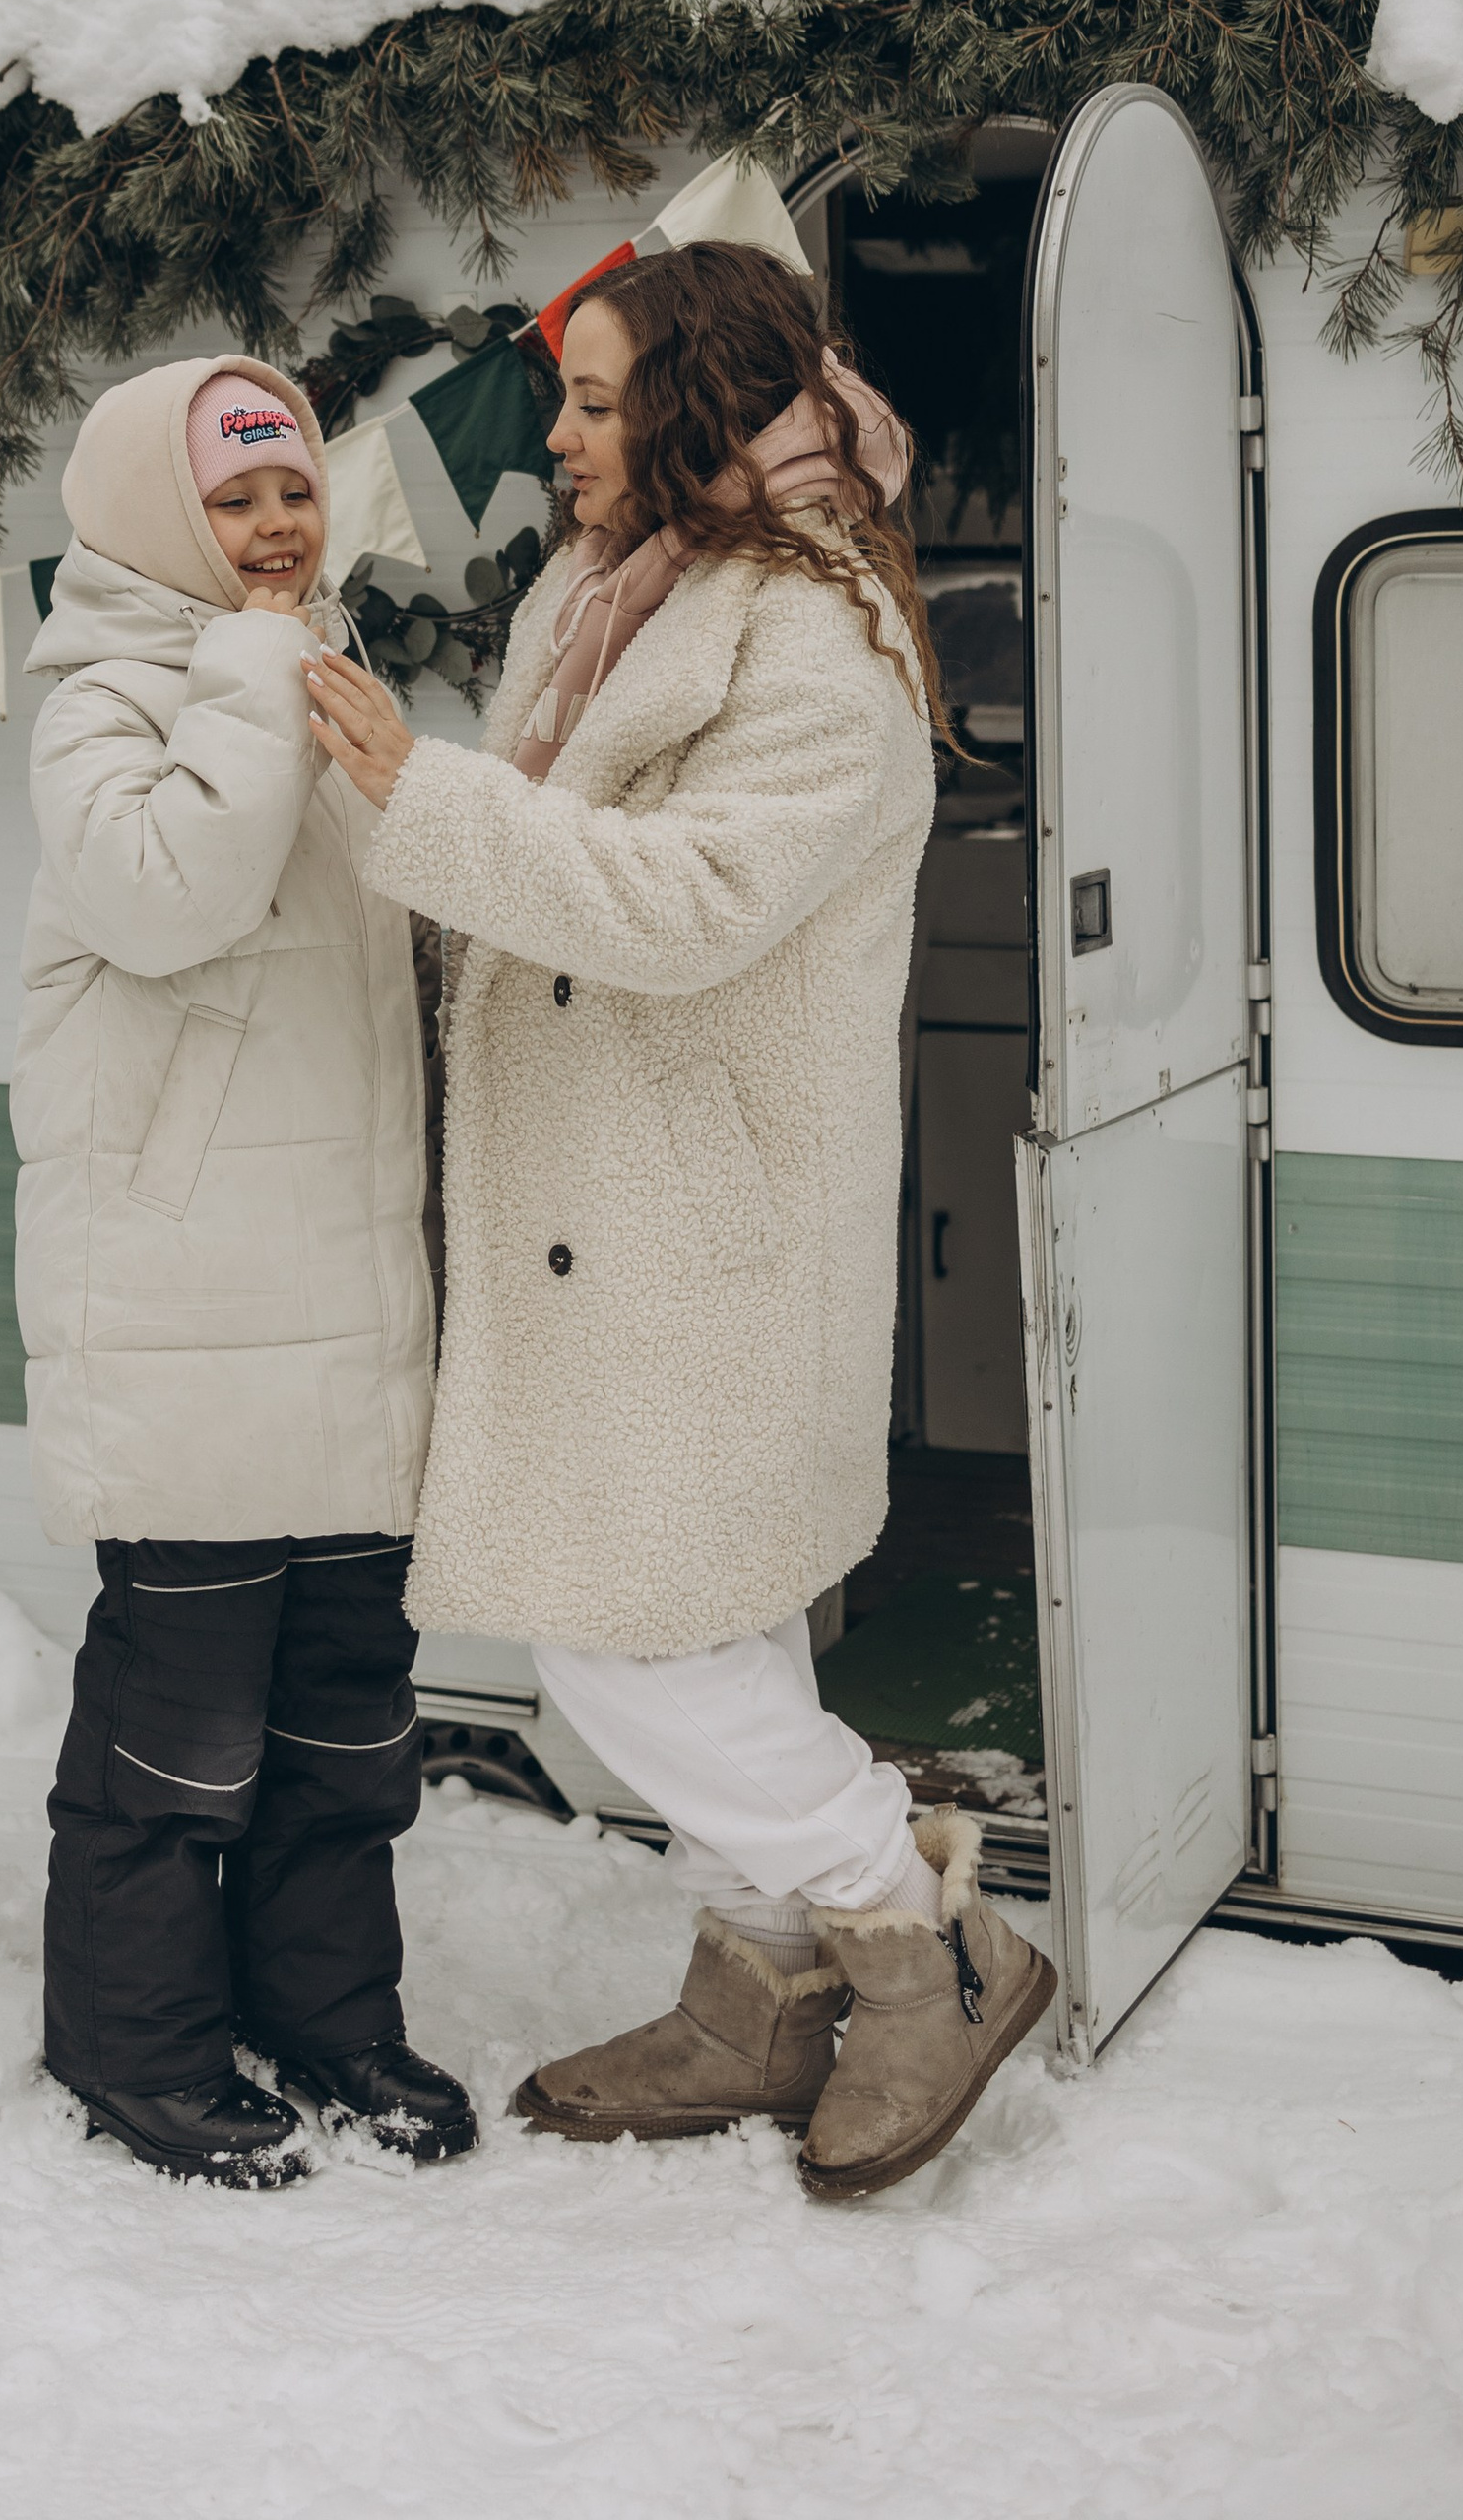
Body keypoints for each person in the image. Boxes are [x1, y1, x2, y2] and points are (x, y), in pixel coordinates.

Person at [302, 243, 1054, 2204]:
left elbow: (688, 900)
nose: (555, 431)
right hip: (613, 1205)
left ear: (702, 407)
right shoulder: (617, 581)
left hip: (699, 1221)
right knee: (706, 1619)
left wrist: (425, 795)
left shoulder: (815, 642)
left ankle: (927, 1941)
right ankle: (763, 2001)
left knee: (624, 1638)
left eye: (595, 393)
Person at [13, 354, 476, 2189]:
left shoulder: (314, 669)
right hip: (187, 1292)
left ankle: (324, 2012)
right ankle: (133, 2046)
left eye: (295, 492)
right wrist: (251, 671)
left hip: (352, 1291)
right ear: (150, 516)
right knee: (179, 1724)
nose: (281, 527)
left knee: (347, 1710)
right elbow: (165, 896)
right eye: (236, 499)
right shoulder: (109, 698)